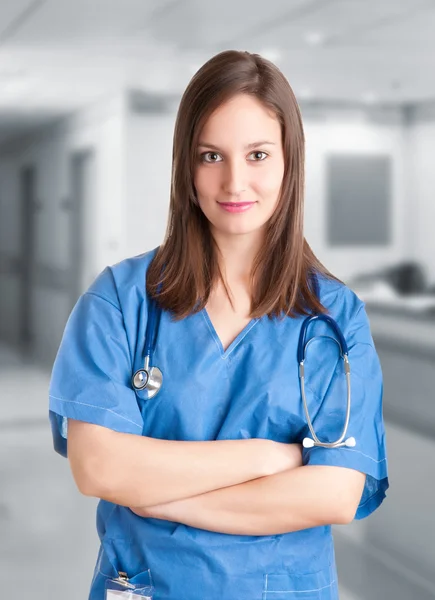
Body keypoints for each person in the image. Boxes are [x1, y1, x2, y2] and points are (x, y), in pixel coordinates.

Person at [48, 49, 389, 600]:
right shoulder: (119, 300)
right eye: (211, 155)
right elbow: (98, 468)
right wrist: (265, 458)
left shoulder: (333, 316)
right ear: (186, 164)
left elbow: (333, 493)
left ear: (288, 162)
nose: (235, 182)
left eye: (257, 154)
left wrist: (161, 498)